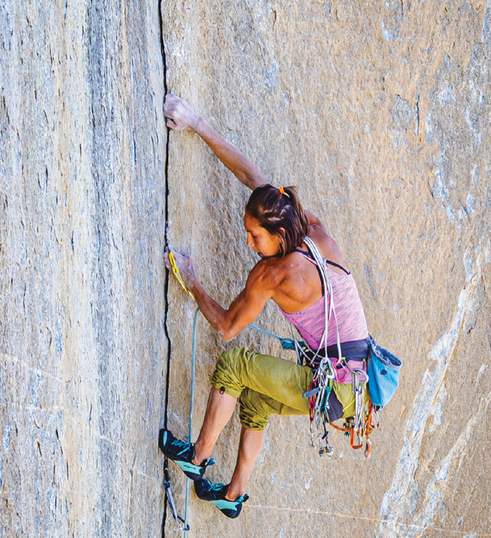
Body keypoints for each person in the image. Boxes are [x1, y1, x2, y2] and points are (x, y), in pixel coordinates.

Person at [159, 95, 371, 516]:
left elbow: (226, 328)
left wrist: (193, 282)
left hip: (337, 387)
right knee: (254, 401)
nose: (250, 243)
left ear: (277, 235)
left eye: (256, 237)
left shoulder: (274, 274)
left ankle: (196, 457)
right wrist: (196, 124)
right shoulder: (309, 229)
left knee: (235, 364)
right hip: (356, 394)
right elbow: (253, 177)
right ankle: (234, 494)